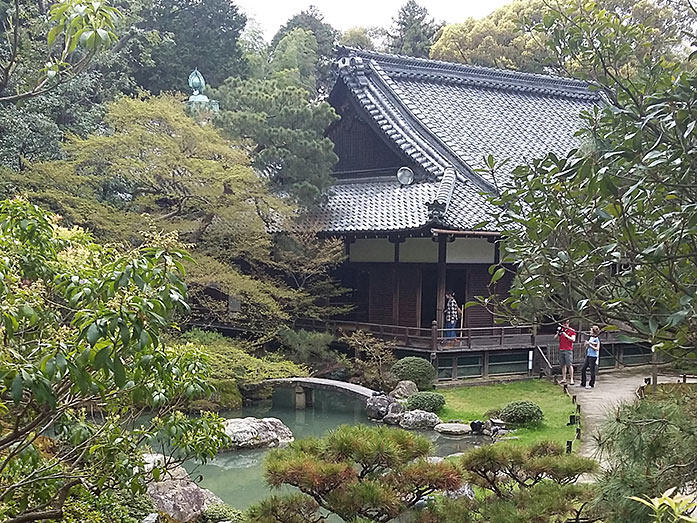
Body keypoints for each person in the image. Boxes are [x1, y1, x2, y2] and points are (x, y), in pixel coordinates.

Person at [555, 320, 576, 385]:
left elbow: (573, 339)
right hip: (561, 349)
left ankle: (571, 379)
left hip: (568, 350)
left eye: (567, 323)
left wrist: (566, 335)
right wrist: (558, 333)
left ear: (569, 324)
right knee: (562, 365)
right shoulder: (561, 330)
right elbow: (555, 338)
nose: (565, 325)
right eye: (564, 323)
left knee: (569, 364)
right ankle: (564, 378)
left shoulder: (572, 331)